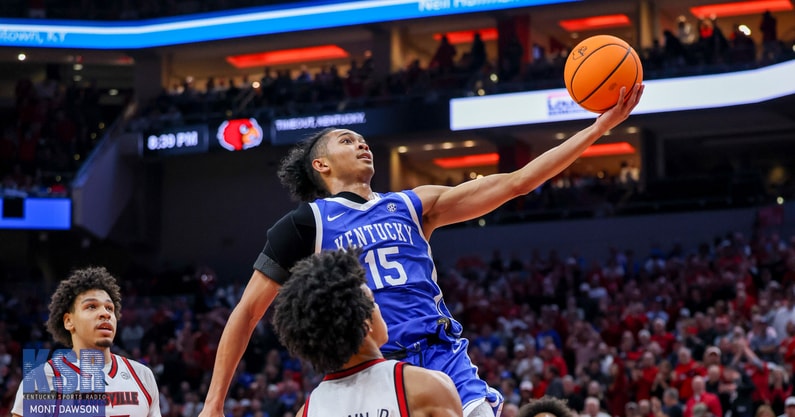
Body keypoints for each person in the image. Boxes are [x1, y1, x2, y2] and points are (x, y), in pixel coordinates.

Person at [199, 83, 644, 417]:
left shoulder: (412, 205)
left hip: (443, 353)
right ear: (322, 164)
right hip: (373, 364)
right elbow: (247, 313)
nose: (361, 143)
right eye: (346, 140)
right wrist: (214, 403)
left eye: (362, 138)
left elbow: (516, 182)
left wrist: (600, 128)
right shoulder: (307, 223)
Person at [271, 248, 462, 416]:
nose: (379, 309)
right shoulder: (425, 387)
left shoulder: (307, 411)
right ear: (365, 321)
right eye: (373, 302)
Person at [12, 266, 161, 417]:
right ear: (69, 321)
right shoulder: (41, 380)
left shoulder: (142, 375)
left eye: (109, 308)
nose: (105, 313)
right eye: (91, 306)